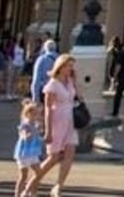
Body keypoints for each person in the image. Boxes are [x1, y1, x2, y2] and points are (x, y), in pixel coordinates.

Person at [26, 53, 79, 197]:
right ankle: (31, 185)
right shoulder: (52, 85)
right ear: (60, 67)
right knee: (53, 157)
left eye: (72, 66)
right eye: (68, 66)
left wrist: (75, 81)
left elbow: (77, 96)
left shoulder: (69, 81)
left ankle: (58, 187)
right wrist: (48, 131)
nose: (70, 69)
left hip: (70, 120)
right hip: (57, 120)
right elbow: (48, 109)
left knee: (70, 152)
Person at [15, 99, 47, 197]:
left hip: (33, 153)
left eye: (37, 114)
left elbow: (39, 136)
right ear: (27, 114)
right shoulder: (25, 124)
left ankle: (32, 192)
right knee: (23, 176)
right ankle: (17, 194)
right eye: (34, 114)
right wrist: (26, 135)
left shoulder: (36, 125)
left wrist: (42, 136)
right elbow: (23, 133)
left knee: (39, 173)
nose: (36, 116)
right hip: (24, 153)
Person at [30, 40, 58, 105]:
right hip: (57, 92)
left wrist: (35, 97)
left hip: (44, 90)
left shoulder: (41, 59)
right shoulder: (60, 59)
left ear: (45, 48)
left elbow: (36, 80)